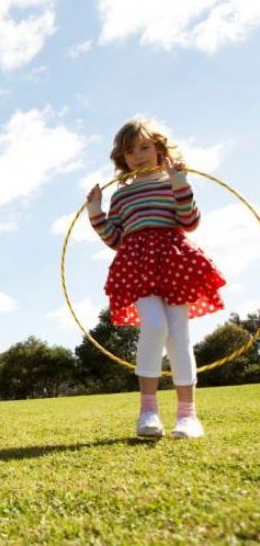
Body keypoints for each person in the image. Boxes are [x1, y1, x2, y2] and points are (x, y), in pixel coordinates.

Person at [86, 118, 226, 440]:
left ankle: (187, 416)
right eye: (130, 151)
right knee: (154, 324)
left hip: (174, 261)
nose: (138, 155)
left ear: (159, 149)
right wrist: (96, 210)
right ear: (123, 158)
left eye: (145, 148)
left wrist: (180, 183)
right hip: (137, 263)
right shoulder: (120, 196)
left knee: (179, 336)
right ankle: (148, 411)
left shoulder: (171, 181)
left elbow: (190, 221)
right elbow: (115, 238)